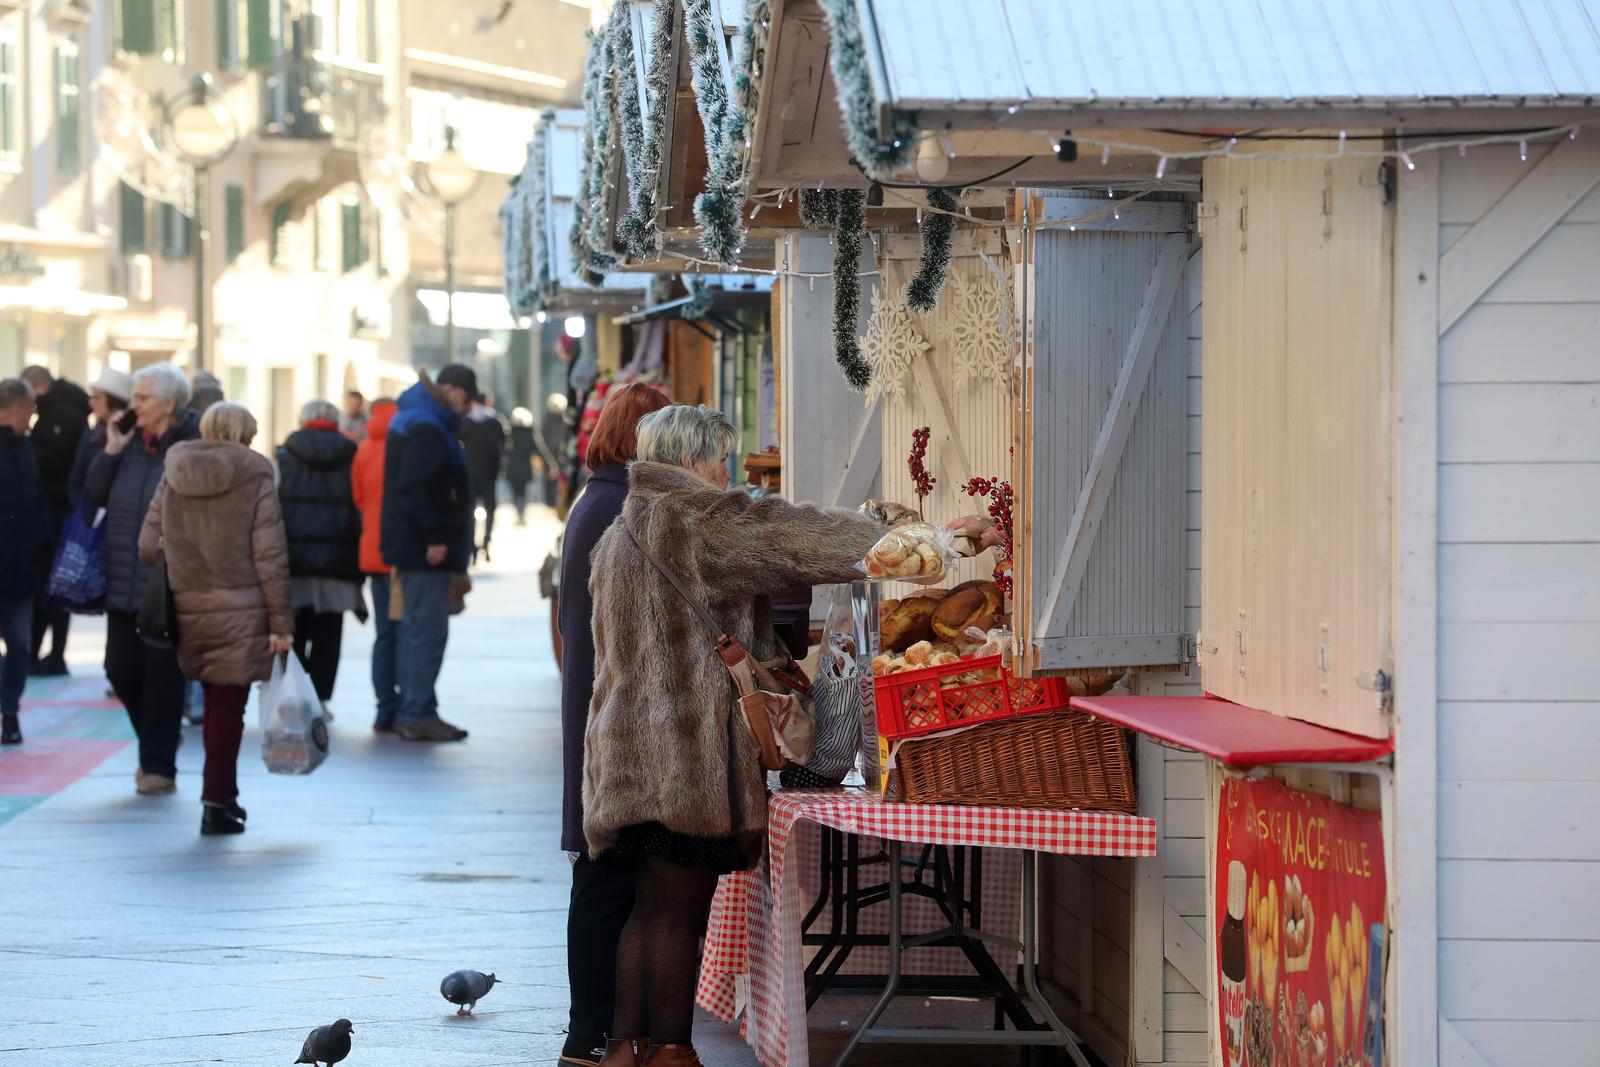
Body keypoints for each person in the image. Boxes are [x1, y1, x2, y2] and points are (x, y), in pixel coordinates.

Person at [582, 406, 890, 1067]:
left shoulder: (620, 531)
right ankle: (669, 1050)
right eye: (719, 457)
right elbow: (794, 539)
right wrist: (894, 536)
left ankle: (623, 1048)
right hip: (686, 758)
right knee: (678, 912)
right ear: (689, 460)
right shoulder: (697, 521)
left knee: (649, 904)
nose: (725, 470)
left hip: (625, 754)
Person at [555, 383, 671, 1067]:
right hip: (612, 722)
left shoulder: (601, 498)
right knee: (604, 883)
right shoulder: (616, 506)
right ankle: (588, 1032)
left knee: (608, 880)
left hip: (602, 715)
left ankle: (600, 1031)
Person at [137, 403, 291, 835]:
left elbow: (148, 547)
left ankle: (221, 799)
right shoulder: (256, 473)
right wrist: (282, 622)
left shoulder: (175, 469)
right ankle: (217, 802)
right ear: (247, 434)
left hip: (185, 603)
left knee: (206, 699)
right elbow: (270, 555)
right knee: (226, 707)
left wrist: (184, 544)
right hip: (241, 608)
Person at [83, 363, 201, 795]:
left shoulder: (192, 445)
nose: (133, 406)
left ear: (169, 404)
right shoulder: (124, 442)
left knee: (163, 675)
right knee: (120, 668)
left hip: (168, 583)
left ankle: (158, 766)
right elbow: (92, 494)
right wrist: (112, 448)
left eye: (142, 399)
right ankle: (158, 741)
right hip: (121, 578)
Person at [379, 366, 474, 742]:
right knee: (425, 632)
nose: (466, 409)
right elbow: (416, 490)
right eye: (465, 399)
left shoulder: (415, 418)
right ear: (449, 389)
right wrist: (436, 538)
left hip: (412, 546)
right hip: (424, 550)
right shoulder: (427, 427)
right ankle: (418, 713)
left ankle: (412, 709)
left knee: (413, 630)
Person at [276, 399, 363, 705]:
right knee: (330, 632)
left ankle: (294, 695)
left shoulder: (284, 456)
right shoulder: (352, 455)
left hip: (293, 559)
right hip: (338, 558)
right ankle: (320, 698)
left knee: (294, 628)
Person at [19, 366, 90, 677]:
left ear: (38, 387)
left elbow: (54, 460)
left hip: (57, 511)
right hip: (59, 510)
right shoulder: (60, 411)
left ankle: (46, 654)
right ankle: (42, 653)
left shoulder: (62, 414)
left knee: (52, 586)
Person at [0, 380, 48, 745]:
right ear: (15, 408)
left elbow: (36, 501)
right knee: (18, 643)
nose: (33, 416)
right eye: (30, 409)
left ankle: (9, 712)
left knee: (19, 644)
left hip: (22, 569)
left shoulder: (27, 447)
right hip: (12, 563)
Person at [350, 396, 399, 732]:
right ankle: (408, 704)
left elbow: (358, 497)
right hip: (399, 551)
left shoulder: (365, 447)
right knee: (408, 633)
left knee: (384, 634)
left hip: (371, 549)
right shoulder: (402, 444)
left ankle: (384, 708)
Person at [68, 368, 134, 509]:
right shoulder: (91, 435)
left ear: (114, 400)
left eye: (97, 398)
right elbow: (76, 482)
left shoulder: (133, 436)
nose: (91, 403)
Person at [458, 391, 506, 563]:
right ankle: (486, 542)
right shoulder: (494, 422)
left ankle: (472, 547)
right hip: (489, 473)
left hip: (469, 474)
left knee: (469, 512)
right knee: (490, 510)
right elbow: (503, 447)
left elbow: (459, 440)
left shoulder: (466, 422)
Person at [506, 407, 536, 526]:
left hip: (512, 468)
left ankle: (519, 513)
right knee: (523, 493)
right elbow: (539, 449)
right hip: (525, 468)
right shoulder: (529, 434)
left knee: (515, 493)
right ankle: (522, 514)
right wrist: (550, 466)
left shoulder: (509, 434)